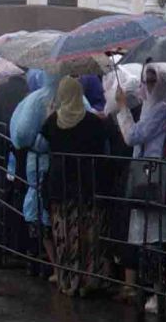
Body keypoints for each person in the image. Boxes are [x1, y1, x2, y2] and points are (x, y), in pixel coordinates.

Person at [40, 77, 118, 297]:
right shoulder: (94, 122)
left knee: (65, 234)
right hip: (89, 184)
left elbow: (42, 142)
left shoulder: (52, 121)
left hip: (61, 185)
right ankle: (91, 279)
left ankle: (68, 279)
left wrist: (49, 114)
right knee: (90, 234)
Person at [114, 66, 166, 310]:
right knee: (150, 236)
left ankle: (158, 293)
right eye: (146, 80)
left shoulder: (161, 109)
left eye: (153, 81)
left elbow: (133, 136)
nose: (148, 85)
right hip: (150, 174)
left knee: (155, 237)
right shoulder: (157, 107)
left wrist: (122, 108)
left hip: (152, 176)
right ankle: (152, 290)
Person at [9, 69, 57, 274]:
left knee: (38, 207)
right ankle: (51, 261)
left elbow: (20, 135)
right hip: (56, 165)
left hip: (37, 162)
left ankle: (38, 257)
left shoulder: (34, 100)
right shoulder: (76, 96)